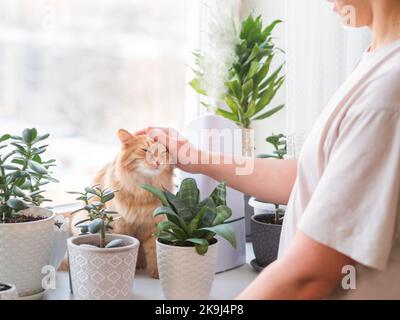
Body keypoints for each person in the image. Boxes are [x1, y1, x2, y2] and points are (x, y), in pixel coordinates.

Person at [136, 0, 400, 299]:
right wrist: (193, 157)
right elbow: (311, 178)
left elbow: (309, 275)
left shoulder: (389, 91)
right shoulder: (376, 59)